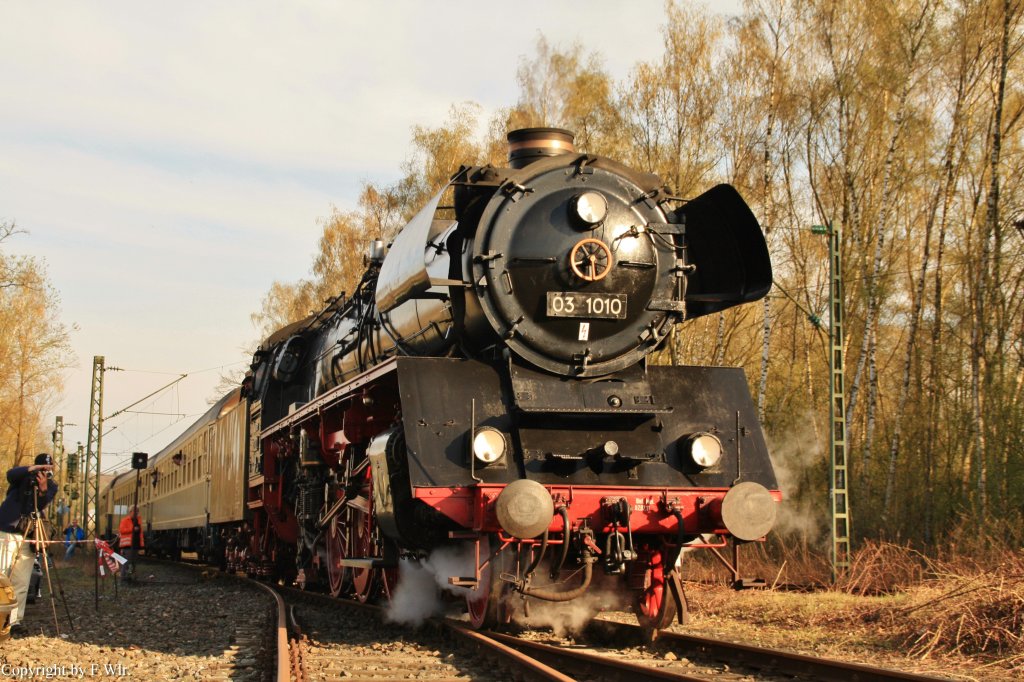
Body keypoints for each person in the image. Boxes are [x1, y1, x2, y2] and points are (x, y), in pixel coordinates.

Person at [0, 454, 58, 631]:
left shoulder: (51, 486)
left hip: (29, 534)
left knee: (22, 580)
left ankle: (13, 621)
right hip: (7, 531)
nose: (45, 472)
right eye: (42, 468)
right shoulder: (23, 476)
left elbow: (42, 504)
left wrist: (42, 489)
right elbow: (10, 474)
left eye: (48, 469)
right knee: (2, 575)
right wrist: (30, 469)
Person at [118, 506, 144, 580]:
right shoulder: (125, 520)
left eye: (137, 511)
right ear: (130, 512)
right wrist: (132, 529)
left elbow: (140, 534)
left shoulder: (138, 521)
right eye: (134, 511)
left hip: (135, 545)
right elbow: (122, 530)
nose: (136, 513)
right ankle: (123, 578)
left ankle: (130, 578)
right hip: (127, 546)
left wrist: (141, 546)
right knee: (126, 563)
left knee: (133, 563)